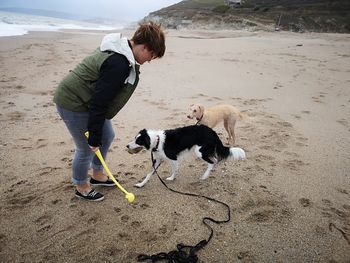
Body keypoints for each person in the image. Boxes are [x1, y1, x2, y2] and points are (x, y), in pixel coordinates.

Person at [53, 22, 165, 201]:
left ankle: (97, 175)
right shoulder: (118, 63)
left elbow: (100, 100)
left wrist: (98, 133)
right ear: (144, 47)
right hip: (72, 101)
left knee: (108, 135)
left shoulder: (123, 53)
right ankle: (81, 186)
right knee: (87, 147)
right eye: (151, 55)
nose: (150, 60)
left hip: (88, 100)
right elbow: (99, 102)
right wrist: (94, 136)